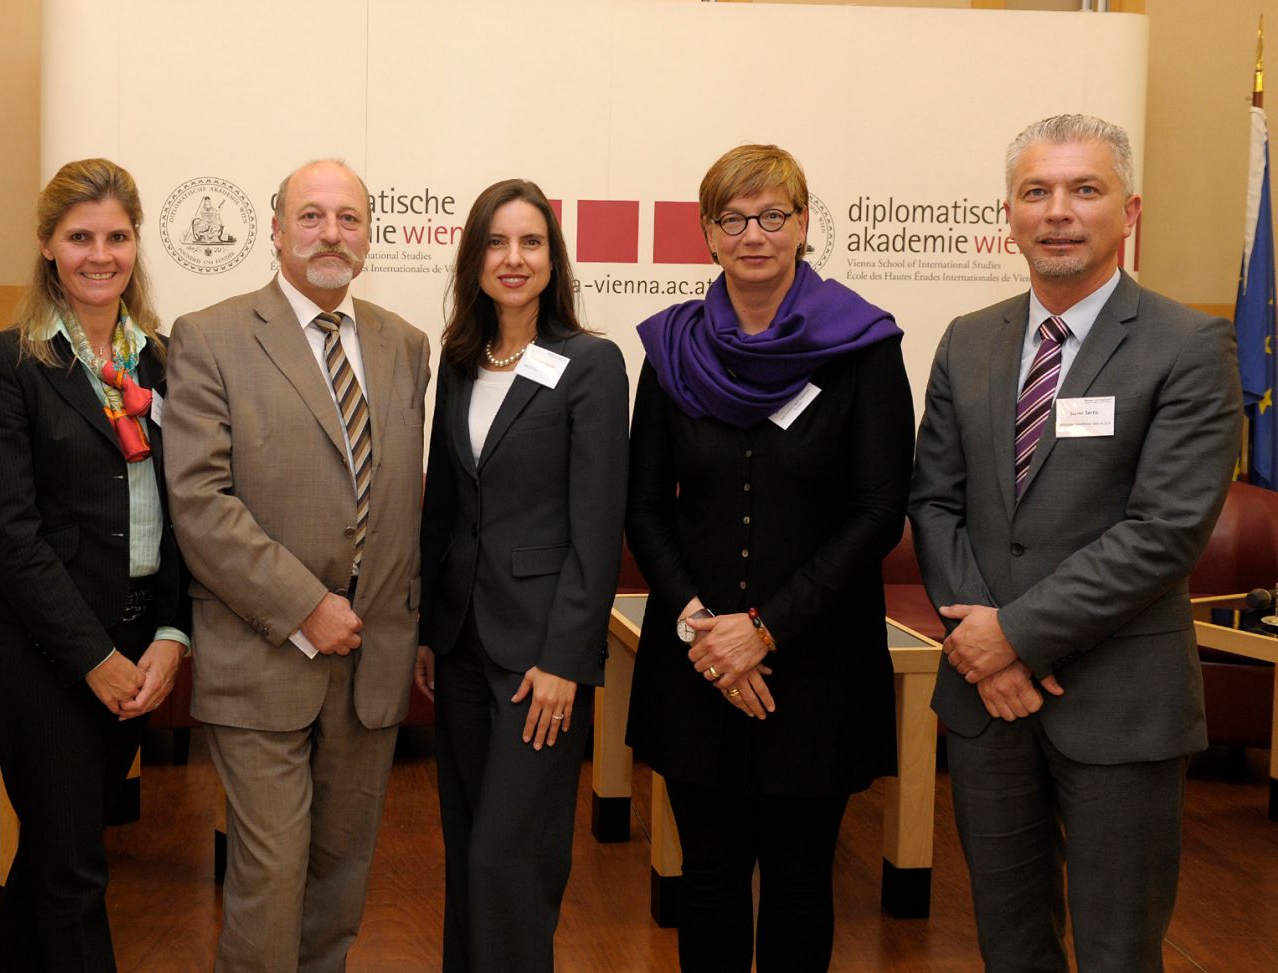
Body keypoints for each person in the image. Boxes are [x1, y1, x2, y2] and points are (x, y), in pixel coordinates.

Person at [908, 114, 1241, 972]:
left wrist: (1012, 636)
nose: (1058, 211)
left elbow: (1164, 531)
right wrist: (984, 650)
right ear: (1009, 216)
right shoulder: (968, 339)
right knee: (1010, 944)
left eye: (1085, 189)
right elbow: (934, 501)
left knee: (1118, 950)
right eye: (1037, 191)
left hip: (1120, 705)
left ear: (1129, 211)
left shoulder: (1188, 344)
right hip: (986, 706)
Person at [625, 144, 913, 972]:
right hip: (697, 661)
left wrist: (764, 629)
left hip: (816, 663)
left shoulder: (862, 345)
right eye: (734, 218)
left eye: (773, 215)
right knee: (709, 876)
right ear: (708, 232)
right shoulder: (672, 349)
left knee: (799, 878)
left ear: (803, 223)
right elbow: (644, 506)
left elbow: (877, 510)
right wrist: (704, 630)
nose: (754, 234)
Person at [164, 158, 432, 972]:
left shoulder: (404, 345)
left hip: (372, 658)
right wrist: (305, 605)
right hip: (263, 651)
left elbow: (401, 500)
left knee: (341, 876)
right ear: (276, 230)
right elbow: (200, 501)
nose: (330, 234)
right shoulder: (209, 336)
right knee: (271, 874)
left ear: (369, 236)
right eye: (311, 216)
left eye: (349, 218)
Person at [0, 157, 190, 972]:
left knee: (53, 858)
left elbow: (189, 510)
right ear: (47, 246)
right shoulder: (9, 362)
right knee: (73, 873)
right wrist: (93, 657)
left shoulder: (165, 361)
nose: (101, 255)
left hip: (141, 644)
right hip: (49, 654)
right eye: (80, 237)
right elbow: (11, 532)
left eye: (117, 237)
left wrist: (171, 633)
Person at [414, 178, 627, 972]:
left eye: (531, 242)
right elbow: (444, 507)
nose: (513, 258)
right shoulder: (459, 362)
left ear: (553, 258)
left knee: (510, 858)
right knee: (468, 847)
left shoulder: (591, 363)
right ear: (474, 259)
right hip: (462, 647)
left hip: (540, 656)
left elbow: (596, 526)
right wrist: (431, 631)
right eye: (497, 242)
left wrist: (568, 659)